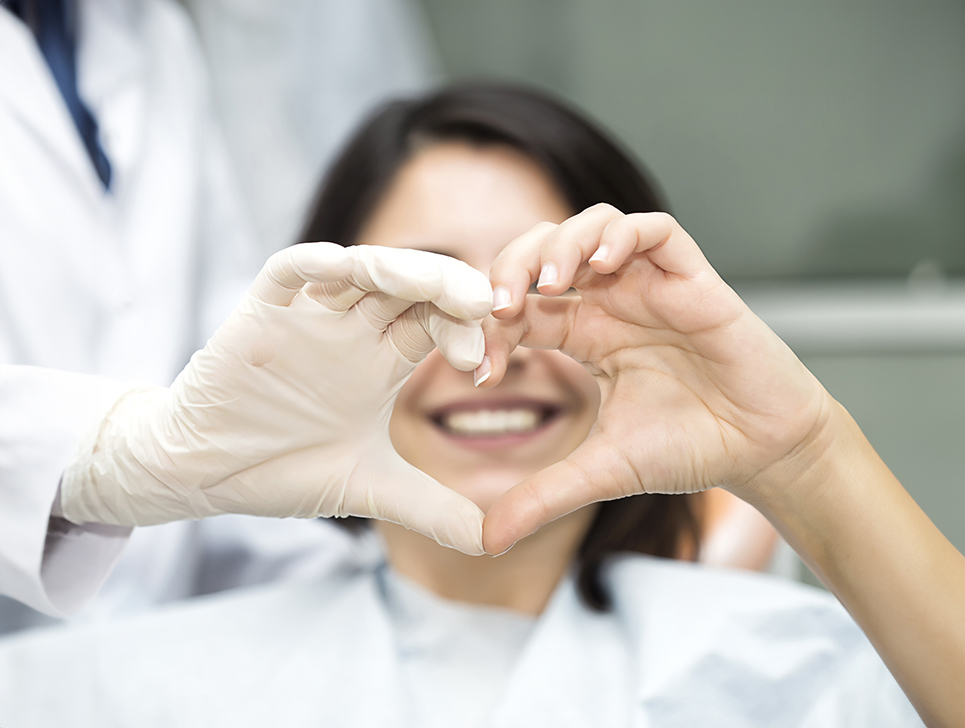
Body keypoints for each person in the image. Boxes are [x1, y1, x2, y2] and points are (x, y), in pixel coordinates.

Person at [0, 83, 931, 727]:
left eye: (548, 288)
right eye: (424, 294)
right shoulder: (139, 683)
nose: (489, 344)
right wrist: (120, 459)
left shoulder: (819, 667)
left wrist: (804, 459)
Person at [0, 0, 457, 634]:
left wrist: (358, 605)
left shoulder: (151, 34)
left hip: (163, 647)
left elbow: (224, 386)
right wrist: (110, 457)